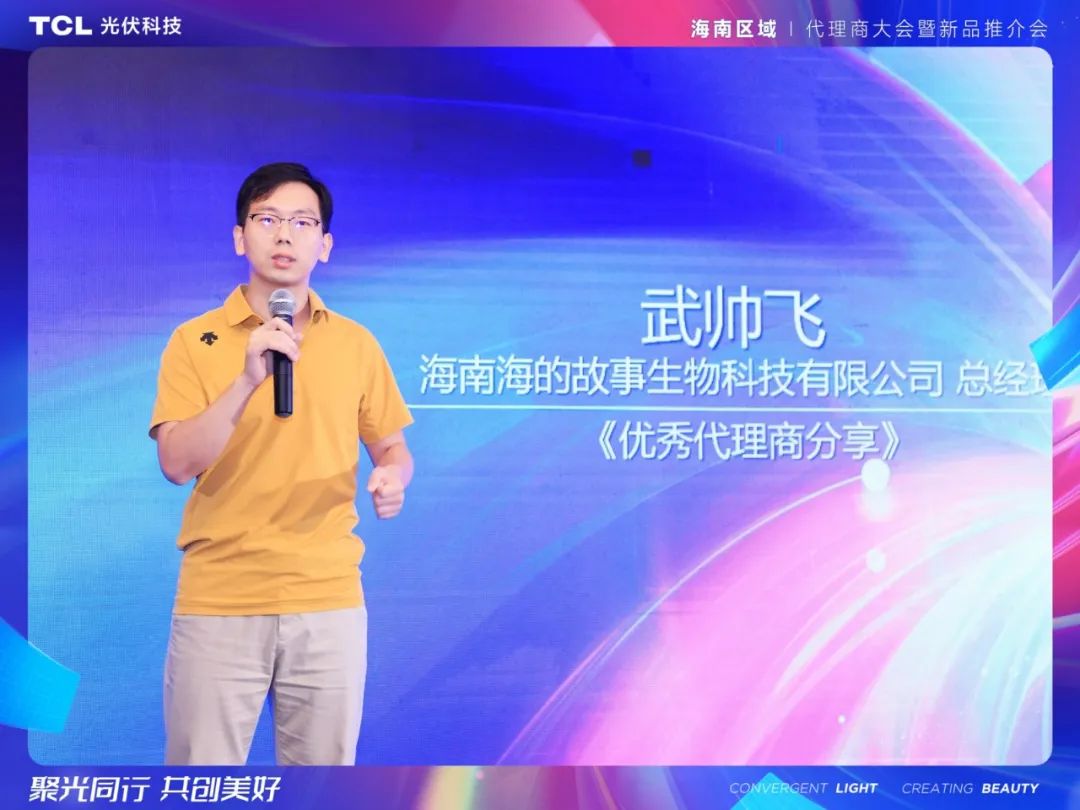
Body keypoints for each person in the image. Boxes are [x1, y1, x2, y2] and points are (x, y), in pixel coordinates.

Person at [148, 162, 414, 766]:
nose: (285, 235)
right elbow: (176, 463)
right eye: (267, 219)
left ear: (325, 245)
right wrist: (247, 379)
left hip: (328, 597)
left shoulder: (355, 343)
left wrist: (391, 478)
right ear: (240, 237)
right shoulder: (194, 341)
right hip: (221, 598)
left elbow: (393, 448)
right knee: (200, 785)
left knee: (324, 787)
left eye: (302, 222)